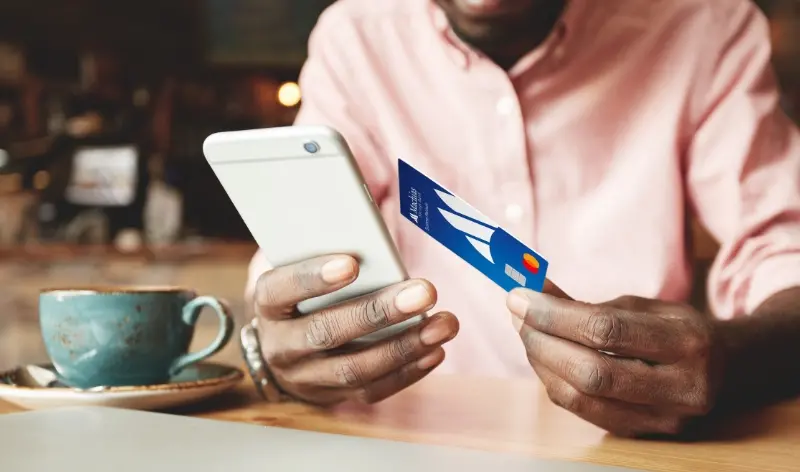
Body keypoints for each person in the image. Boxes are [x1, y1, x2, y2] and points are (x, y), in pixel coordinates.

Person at [243, 0, 800, 437]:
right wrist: (286, 345)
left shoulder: (706, 27)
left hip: (635, 451)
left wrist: (737, 358)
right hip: (416, 439)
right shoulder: (357, 38)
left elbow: (783, 246)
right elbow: (303, 255)